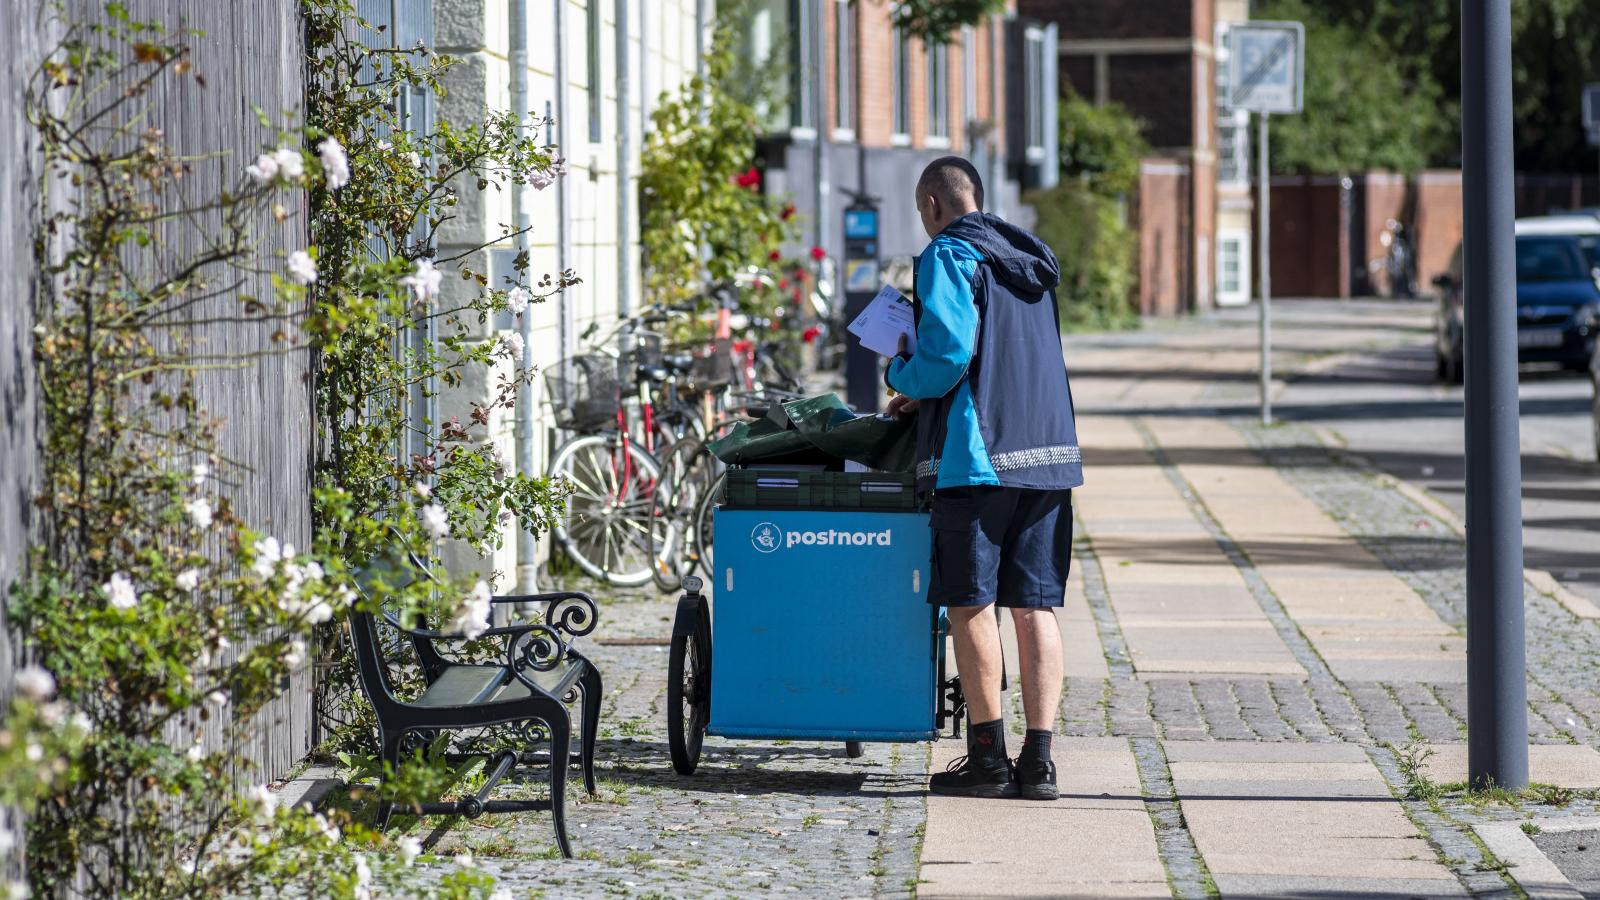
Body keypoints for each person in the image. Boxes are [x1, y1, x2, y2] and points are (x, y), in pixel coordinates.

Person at [886, 157, 1083, 800]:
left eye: (922, 212)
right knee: (1036, 605)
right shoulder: (1029, 261)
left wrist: (901, 379)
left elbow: (946, 357)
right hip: (1048, 453)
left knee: (971, 603)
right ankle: (1042, 761)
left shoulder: (948, 255)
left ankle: (988, 758)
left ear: (935, 205)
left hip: (977, 459)